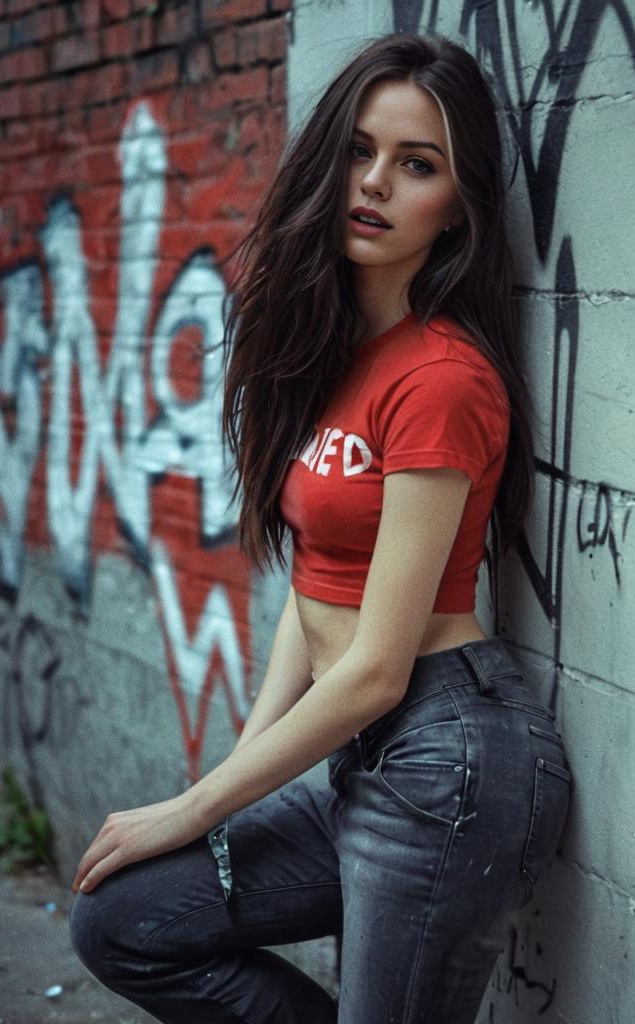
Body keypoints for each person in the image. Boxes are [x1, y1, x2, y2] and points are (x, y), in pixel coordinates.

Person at [69, 31, 573, 1024]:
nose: (376, 182)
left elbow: (380, 665)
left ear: (458, 205)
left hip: (450, 755)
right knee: (123, 918)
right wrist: (232, 781)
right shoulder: (331, 353)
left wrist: (193, 808)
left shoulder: (444, 378)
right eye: (360, 149)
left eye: (417, 164)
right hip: (362, 748)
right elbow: (320, 583)